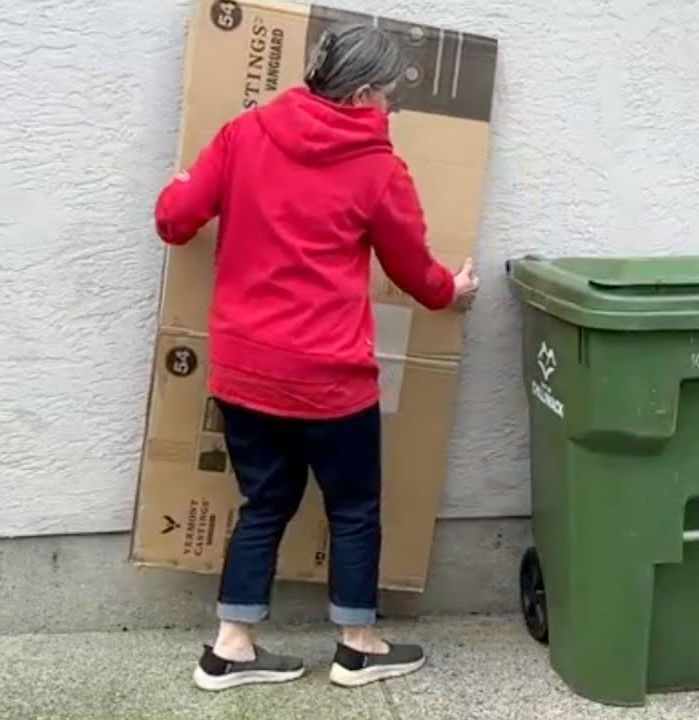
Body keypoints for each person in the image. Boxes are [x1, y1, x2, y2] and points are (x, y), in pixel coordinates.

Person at [152, 23, 479, 691]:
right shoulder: (379, 168)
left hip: (244, 372)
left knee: (264, 501)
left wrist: (177, 184)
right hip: (331, 380)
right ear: (361, 95)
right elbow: (416, 273)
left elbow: (175, 219)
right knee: (354, 507)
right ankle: (358, 646)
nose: (393, 110)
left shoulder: (246, 133)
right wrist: (455, 291)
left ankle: (230, 648)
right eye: (389, 96)